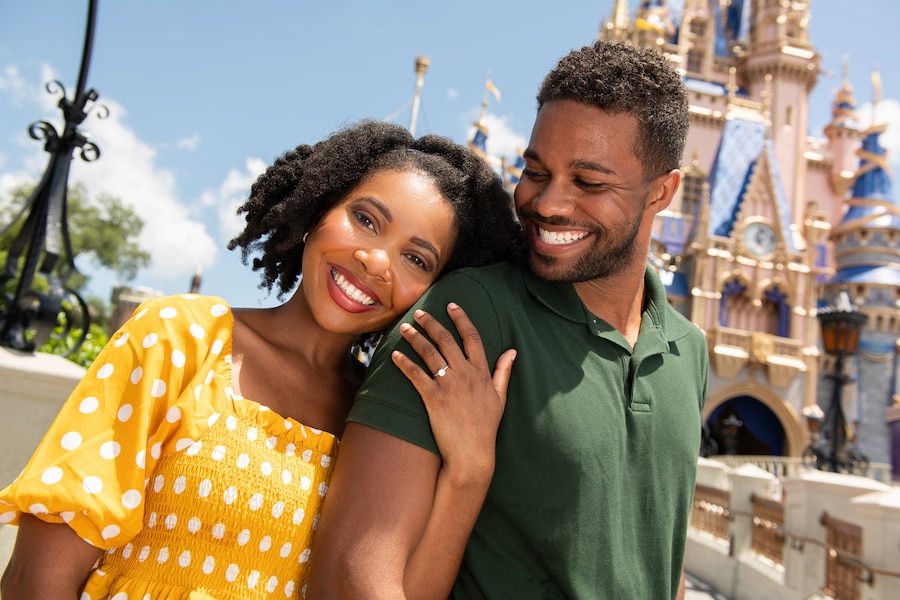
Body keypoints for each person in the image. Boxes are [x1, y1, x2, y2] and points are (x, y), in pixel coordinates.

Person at [0, 119, 524, 599]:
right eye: (365, 219)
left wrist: (469, 471)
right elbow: (36, 579)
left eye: (416, 258)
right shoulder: (184, 337)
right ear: (319, 209)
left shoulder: (383, 421)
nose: (375, 261)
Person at [307, 40, 709, 599]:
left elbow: (657, 556)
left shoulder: (688, 350)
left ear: (663, 191)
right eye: (535, 170)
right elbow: (353, 581)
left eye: (589, 183)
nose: (547, 203)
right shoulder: (468, 314)